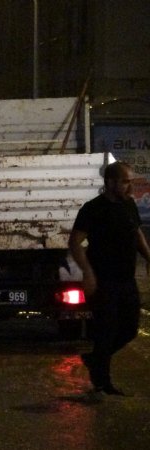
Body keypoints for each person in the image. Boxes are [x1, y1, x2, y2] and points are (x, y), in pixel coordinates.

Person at [69, 160, 150, 395]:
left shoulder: (129, 205)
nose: (130, 187)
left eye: (131, 182)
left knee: (129, 329)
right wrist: (88, 272)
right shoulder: (93, 209)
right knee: (106, 331)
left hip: (126, 279)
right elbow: (75, 242)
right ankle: (103, 382)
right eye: (125, 182)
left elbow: (137, 236)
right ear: (110, 182)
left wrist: (148, 256)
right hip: (104, 281)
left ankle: (95, 359)